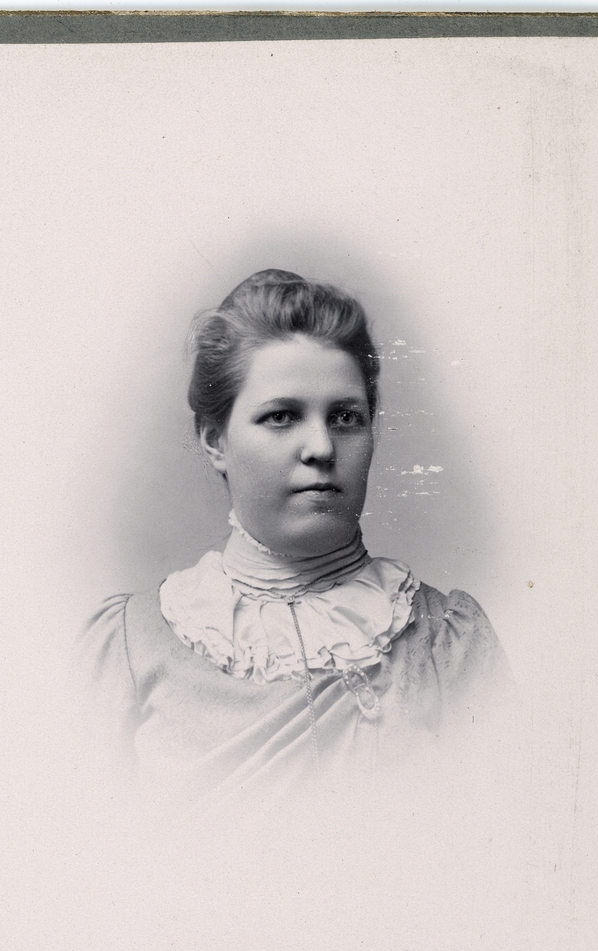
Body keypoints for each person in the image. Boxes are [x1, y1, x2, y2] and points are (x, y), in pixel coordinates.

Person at [81, 269, 511, 803]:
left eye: (346, 417)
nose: (322, 447)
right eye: (282, 416)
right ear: (214, 440)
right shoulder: (127, 646)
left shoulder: (448, 642)